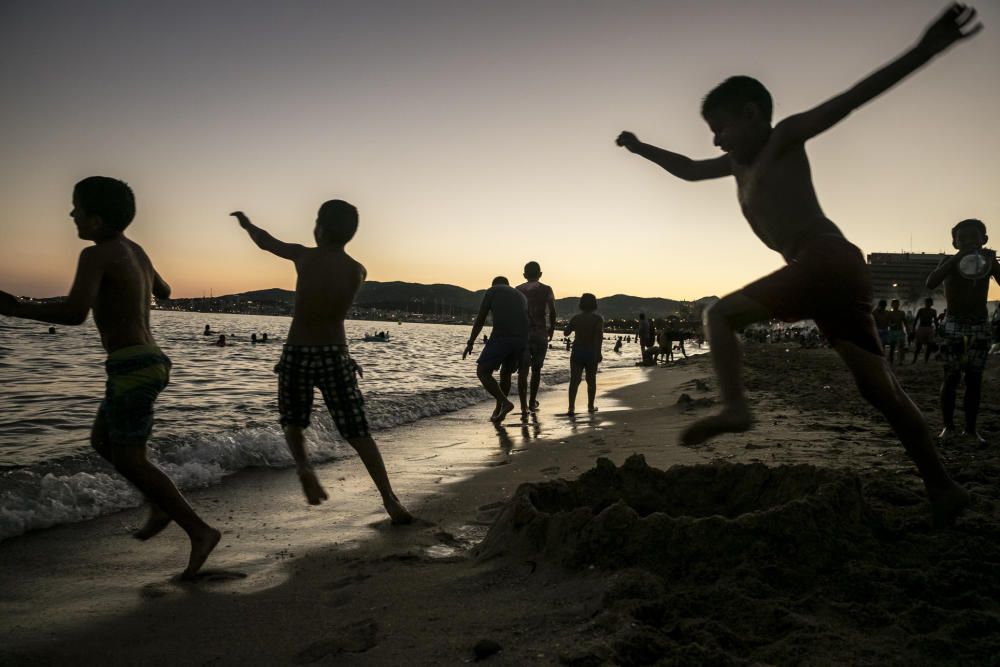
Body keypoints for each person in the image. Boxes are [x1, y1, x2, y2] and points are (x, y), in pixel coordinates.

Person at [615, 3, 979, 525]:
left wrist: (927, 48)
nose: (717, 140)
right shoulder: (737, 163)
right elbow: (691, 170)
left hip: (824, 261)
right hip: (836, 274)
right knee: (881, 390)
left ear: (750, 113)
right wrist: (640, 147)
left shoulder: (782, 137)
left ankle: (736, 409)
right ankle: (943, 488)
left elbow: (851, 100)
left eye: (720, 128)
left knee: (719, 316)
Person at [0, 176, 220, 578]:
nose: (72, 215)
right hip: (146, 361)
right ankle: (158, 503)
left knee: (130, 457)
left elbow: (73, 313)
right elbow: (166, 291)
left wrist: (15, 309)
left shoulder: (96, 253)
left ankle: (199, 530)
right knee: (102, 441)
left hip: (133, 365)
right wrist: (141, 277)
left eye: (77, 209)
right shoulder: (136, 251)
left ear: (97, 220)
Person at [230, 202, 410, 523]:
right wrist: (346, 357)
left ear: (320, 229)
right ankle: (389, 498)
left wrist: (246, 223)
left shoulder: (305, 256)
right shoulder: (357, 270)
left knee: (293, 421)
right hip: (335, 353)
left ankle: (304, 468)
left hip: (298, 350)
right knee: (357, 431)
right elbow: (333, 311)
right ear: (351, 234)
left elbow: (266, 242)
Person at [925, 219, 1000, 445]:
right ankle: (948, 427)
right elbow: (931, 282)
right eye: (962, 238)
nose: (968, 242)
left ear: (984, 240)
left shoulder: (987, 262)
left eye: (973, 237)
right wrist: (955, 259)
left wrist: (993, 264)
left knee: (974, 379)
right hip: (953, 323)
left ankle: (971, 429)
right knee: (951, 376)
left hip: (979, 324)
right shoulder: (949, 261)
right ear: (954, 243)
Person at [463, 277, 530, 422]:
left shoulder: (492, 291)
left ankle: (505, 403)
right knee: (505, 373)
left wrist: (471, 342)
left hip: (502, 336)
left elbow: (480, 318)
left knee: (482, 371)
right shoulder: (521, 295)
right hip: (522, 338)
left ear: (494, 284)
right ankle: (499, 409)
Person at [516, 261, 557, 413]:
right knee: (536, 370)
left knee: (523, 370)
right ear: (540, 274)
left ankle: (523, 406)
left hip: (523, 334)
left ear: (524, 275)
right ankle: (532, 402)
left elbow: (515, 313)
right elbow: (552, 311)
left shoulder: (518, 290)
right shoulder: (546, 289)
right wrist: (551, 328)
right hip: (540, 333)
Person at [564, 293, 603, 414]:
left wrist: (570, 324)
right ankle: (590, 406)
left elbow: (566, 333)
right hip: (591, 352)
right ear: (594, 304)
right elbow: (598, 337)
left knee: (574, 380)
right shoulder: (598, 319)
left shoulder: (576, 318)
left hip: (577, 351)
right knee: (591, 380)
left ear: (581, 304)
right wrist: (599, 353)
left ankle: (571, 407)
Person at [912, 298, 938, 364]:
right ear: (925, 303)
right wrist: (913, 329)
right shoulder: (921, 310)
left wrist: (937, 329)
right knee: (919, 345)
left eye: (929, 303)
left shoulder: (933, 311)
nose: (928, 304)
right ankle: (915, 359)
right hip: (922, 327)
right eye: (927, 302)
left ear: (931, 304)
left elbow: (935, 321)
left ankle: (926, 360)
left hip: (929, 328)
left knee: (929, 345)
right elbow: (916, 320)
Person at [887, 299, 907, 364]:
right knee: (892, 347)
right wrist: (891, 325)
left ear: (898, 305)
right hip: (892, 331)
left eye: (897, 304)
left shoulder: (901, 313)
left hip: (900, 331)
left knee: (901, 347)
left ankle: (900, 361)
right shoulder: (889, 313)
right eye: (894, 304)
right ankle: (891, 361)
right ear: (892, 305)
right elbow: (888, 322)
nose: (896, 305)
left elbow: (905, 322)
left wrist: (908, 330)